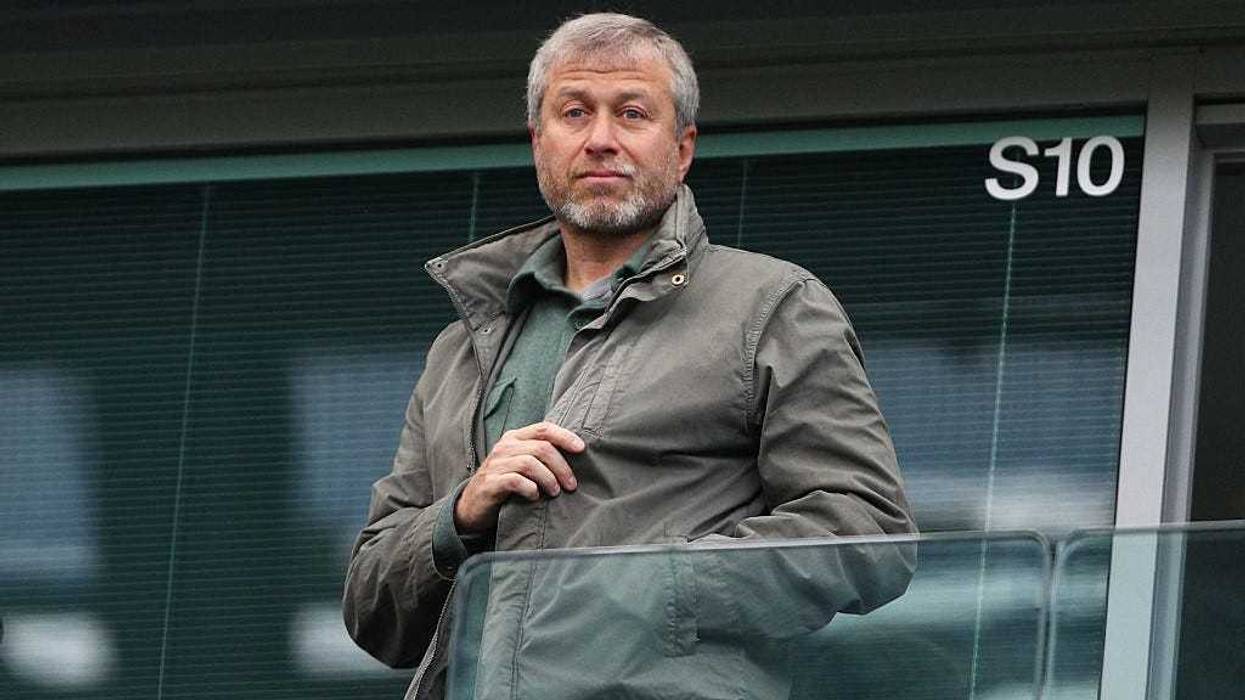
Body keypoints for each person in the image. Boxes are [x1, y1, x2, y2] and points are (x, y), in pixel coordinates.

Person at [343, 12, 915, 700]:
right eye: (574, 113)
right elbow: (370, 607)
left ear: (681, 148)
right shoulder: (462, 346)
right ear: (538, 142)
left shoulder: (770, 304)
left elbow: (864, 535)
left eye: (632, 113)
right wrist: (460, 513)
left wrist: (650, 586)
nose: (600, 140)